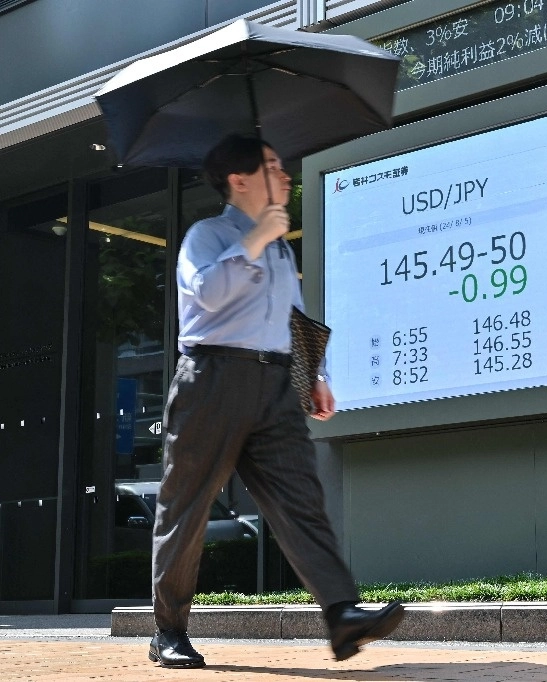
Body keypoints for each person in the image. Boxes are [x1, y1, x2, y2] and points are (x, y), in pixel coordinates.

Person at [148, 133, 403, 669]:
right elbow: (206, 293)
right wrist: (255, 240)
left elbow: (292, 316)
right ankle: (168, 630)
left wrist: (317, 374)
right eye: (272, 167)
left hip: (276, 384)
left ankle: (342, 614)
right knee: (186, 509)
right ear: (239, 180)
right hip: (210, 379)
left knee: (301, 500)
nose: (286, 176)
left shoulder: (282, 247)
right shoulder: (207, 236)